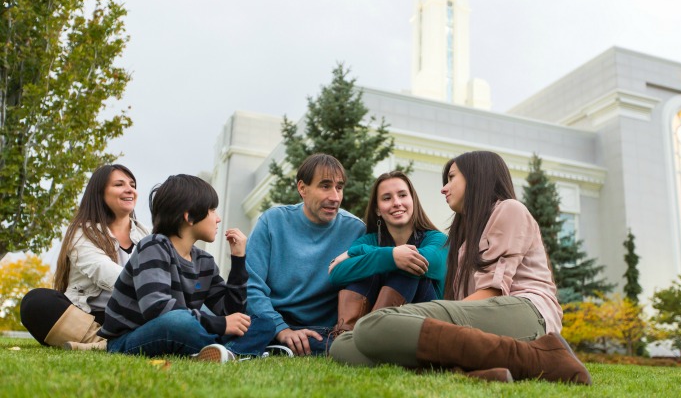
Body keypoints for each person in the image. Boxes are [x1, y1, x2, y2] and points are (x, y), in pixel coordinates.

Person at [330, 151, 591, 385]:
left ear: (476, 178)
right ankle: (465, 370)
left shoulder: (509, 210)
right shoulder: (464, 235)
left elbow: (493, 292)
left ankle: (541, 358)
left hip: (526, 312)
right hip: (477, 323)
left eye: (451, 178)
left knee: (373, 325)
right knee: (343, 346)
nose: (444, 189)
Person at [98, 174, 275, 362]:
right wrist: (220, 324)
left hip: (186, 331)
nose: (218, 218)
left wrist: (238, 260)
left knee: (263, 322)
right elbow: (157, 308)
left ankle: (224, 353)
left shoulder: (204, 261)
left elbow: (230, 312)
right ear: (189, 216)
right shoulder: (153, 246)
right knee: (179, 322)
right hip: (131, 338)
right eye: (212, 210)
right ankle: (233, 350)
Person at [246, 154, 366, 356]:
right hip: (270, 321)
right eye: (325, 186)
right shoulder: (272, 222)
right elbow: (252, 287)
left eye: (339, 187)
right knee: (240, 328)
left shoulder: (355, 230)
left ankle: (270, 347)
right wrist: (281, 330)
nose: (335, 197)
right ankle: (272, 343)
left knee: (333, 344)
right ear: (302, 188)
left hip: (321, 331)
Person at [20, 164, 149, 349]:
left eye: (132, 184)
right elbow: (102, 269)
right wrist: (152, 289)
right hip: (87, 318)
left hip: (132, 316)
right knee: (35, 302)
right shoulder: (81, 232)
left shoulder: (148, 235)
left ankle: (111, 346)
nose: (130, 190)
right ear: (100, 193)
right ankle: (105, 344)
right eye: (119, 184)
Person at [327, 171, 447, 335]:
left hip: (424, 326)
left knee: (409, 268)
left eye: (402, 195)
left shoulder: (437, 239)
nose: (396, 203)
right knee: (365, 271)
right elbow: (336, 274)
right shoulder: (369, 240)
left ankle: (370, 337)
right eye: (387, 198)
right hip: (382, 323)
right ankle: (344, 336)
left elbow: (421, 260)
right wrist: (391, 256)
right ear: (377, 209)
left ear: (413, 200)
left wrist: (359, 251)